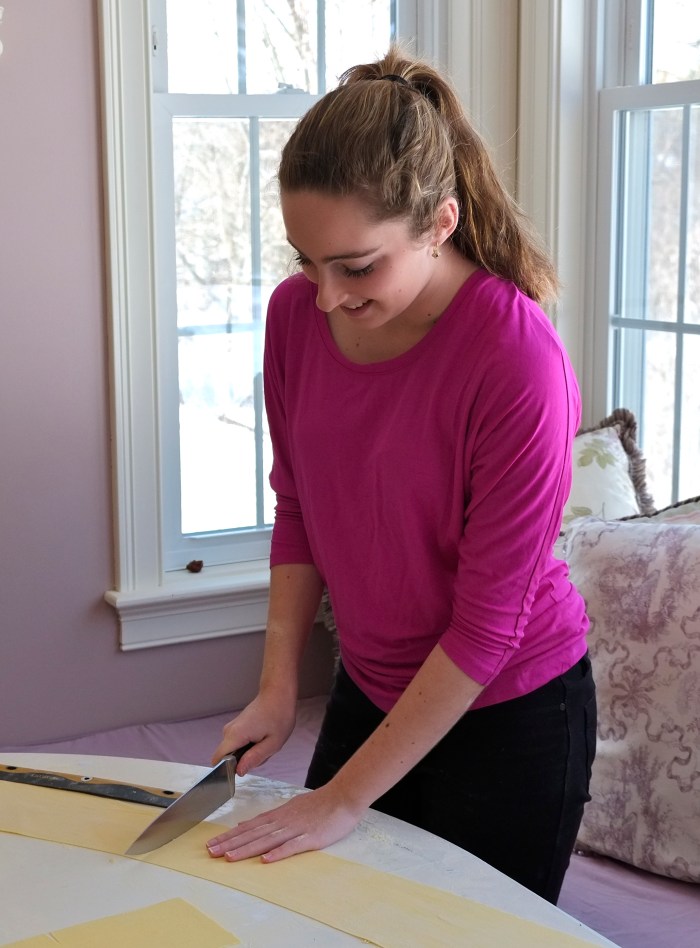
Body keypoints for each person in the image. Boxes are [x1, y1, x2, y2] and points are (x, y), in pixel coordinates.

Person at [206, 45, 596, 905]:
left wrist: (343, 798)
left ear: (439, 223)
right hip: (373, 687)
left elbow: (490, 626)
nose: (325, 295)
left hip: (512, 710)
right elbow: (300, 504)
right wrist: (277, 689)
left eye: (357, 267)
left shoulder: (517, 361)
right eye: (306, 260)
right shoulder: (295, 318)